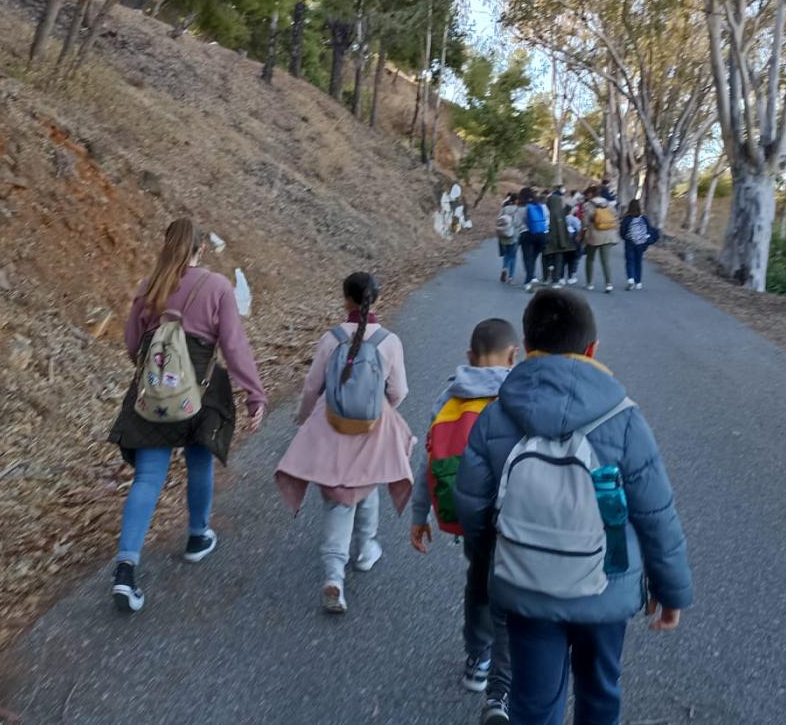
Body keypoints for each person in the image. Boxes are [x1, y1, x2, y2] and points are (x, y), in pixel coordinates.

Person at [456, 290, 692, 725]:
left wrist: (487, 556)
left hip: (526, 586)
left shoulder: (497, 414)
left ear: (525, 347)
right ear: (592, 350)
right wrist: (670, 589)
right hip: (606, 588)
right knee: (600, 691)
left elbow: (472, 502)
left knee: (533, 700)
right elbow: (655, 513)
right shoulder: (623, 418)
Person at [109, 218, 266, 612]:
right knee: (199, 462)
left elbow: (132, 344)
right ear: (199, 249)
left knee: (147, 478)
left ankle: (126, 569)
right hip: (201, 388)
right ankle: (197, 536)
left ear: (167, 246)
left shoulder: (149, 286)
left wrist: (157, 374)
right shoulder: (216, 287)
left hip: (153, 391)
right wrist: (254, 394)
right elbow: (233, 345)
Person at [276, 273, 413, 613]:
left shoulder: (332, 338)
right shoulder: (389, 341)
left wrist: (306, 417)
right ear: (376, 300)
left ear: (346, 300)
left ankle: (334, 576)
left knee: (339, 496)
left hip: (332, 424)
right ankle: (366, 550)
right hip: (371, 426)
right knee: (366, 484)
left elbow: (312, 386)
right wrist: (378, 410)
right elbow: (398, 391)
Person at [410, 318, 519, 725]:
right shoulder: (519, 396)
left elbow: (430, 461)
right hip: (515, 519)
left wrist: (420, 516)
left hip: (470, 520)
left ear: (469, 358)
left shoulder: (449, 398)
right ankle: (504, 687)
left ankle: (477, 660)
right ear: (514, 355)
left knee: (478, 585)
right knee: (508, 595)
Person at [582, 189, 621, 293]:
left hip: (594, 235)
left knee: (590, 259)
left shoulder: (587, 205)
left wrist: (583, 233)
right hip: (609, 235)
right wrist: (615, 232)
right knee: (606, 261)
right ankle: (608, 284)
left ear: (591, 195)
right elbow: (616, 219)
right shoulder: (609, 205)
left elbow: (585, 222)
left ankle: (589, 283)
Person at [620, 200, 660, 290]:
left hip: (630, 242)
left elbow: (622, 231)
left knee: (630, 261)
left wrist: (625, 238)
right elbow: (649, 230)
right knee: (638, 262)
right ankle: (638, 282)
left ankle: (631, 279)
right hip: (641, 243)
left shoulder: (627, 218)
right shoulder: (644, 218)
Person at [543, 186, 575, 286]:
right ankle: (556, 280)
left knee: (546, 259)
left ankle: (546, 277)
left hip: (548, 241)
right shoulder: (561, 214)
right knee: (559, 260)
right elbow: (563, 230)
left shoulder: (547, 213)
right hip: (560, 242)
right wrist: (564, 242)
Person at [519, 188, 548, 291]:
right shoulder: (541, 206)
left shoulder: (522, 207)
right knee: (533, 258)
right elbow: (546, 220)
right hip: (541, 235)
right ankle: (532, 277)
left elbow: (517, 223)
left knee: (527, 258)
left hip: (527, 234)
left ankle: (529, 280)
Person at [496, 193, 521, 284]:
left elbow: (498, 219)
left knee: (506, 254)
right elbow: (518, 223)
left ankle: (504, 268)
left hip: (504, 235)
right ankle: (511, 277)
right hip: (514, 235)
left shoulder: (504, 208)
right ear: (516, 200)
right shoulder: (517, 209)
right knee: (513, 256)